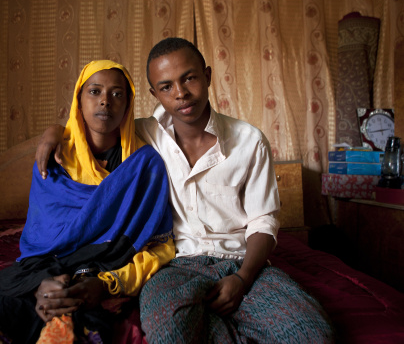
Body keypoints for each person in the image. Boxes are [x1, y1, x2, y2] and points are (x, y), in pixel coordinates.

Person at [36, 38, 335, 343]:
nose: (180, 93)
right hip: (173, 268)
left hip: (243, 264)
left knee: (313, 334)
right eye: (166, 87)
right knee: (170, 335)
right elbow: (94, 124)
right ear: (155, 94)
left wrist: (242, 279)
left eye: (189, 78)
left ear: (207, 75)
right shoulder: (143, 136)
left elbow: (263, 222)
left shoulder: (249, 141)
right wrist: (55, 132)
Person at [0, 60, 175, 344]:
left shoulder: (145, 167)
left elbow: (159, 247)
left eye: (117, 94)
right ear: (78, 101)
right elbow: (40, 243)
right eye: (95, 91)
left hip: (99, 276)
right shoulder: (53, 160)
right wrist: (41, 282)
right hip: (40, 270)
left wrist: (106, 284)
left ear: (129, 105)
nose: (105, 101)